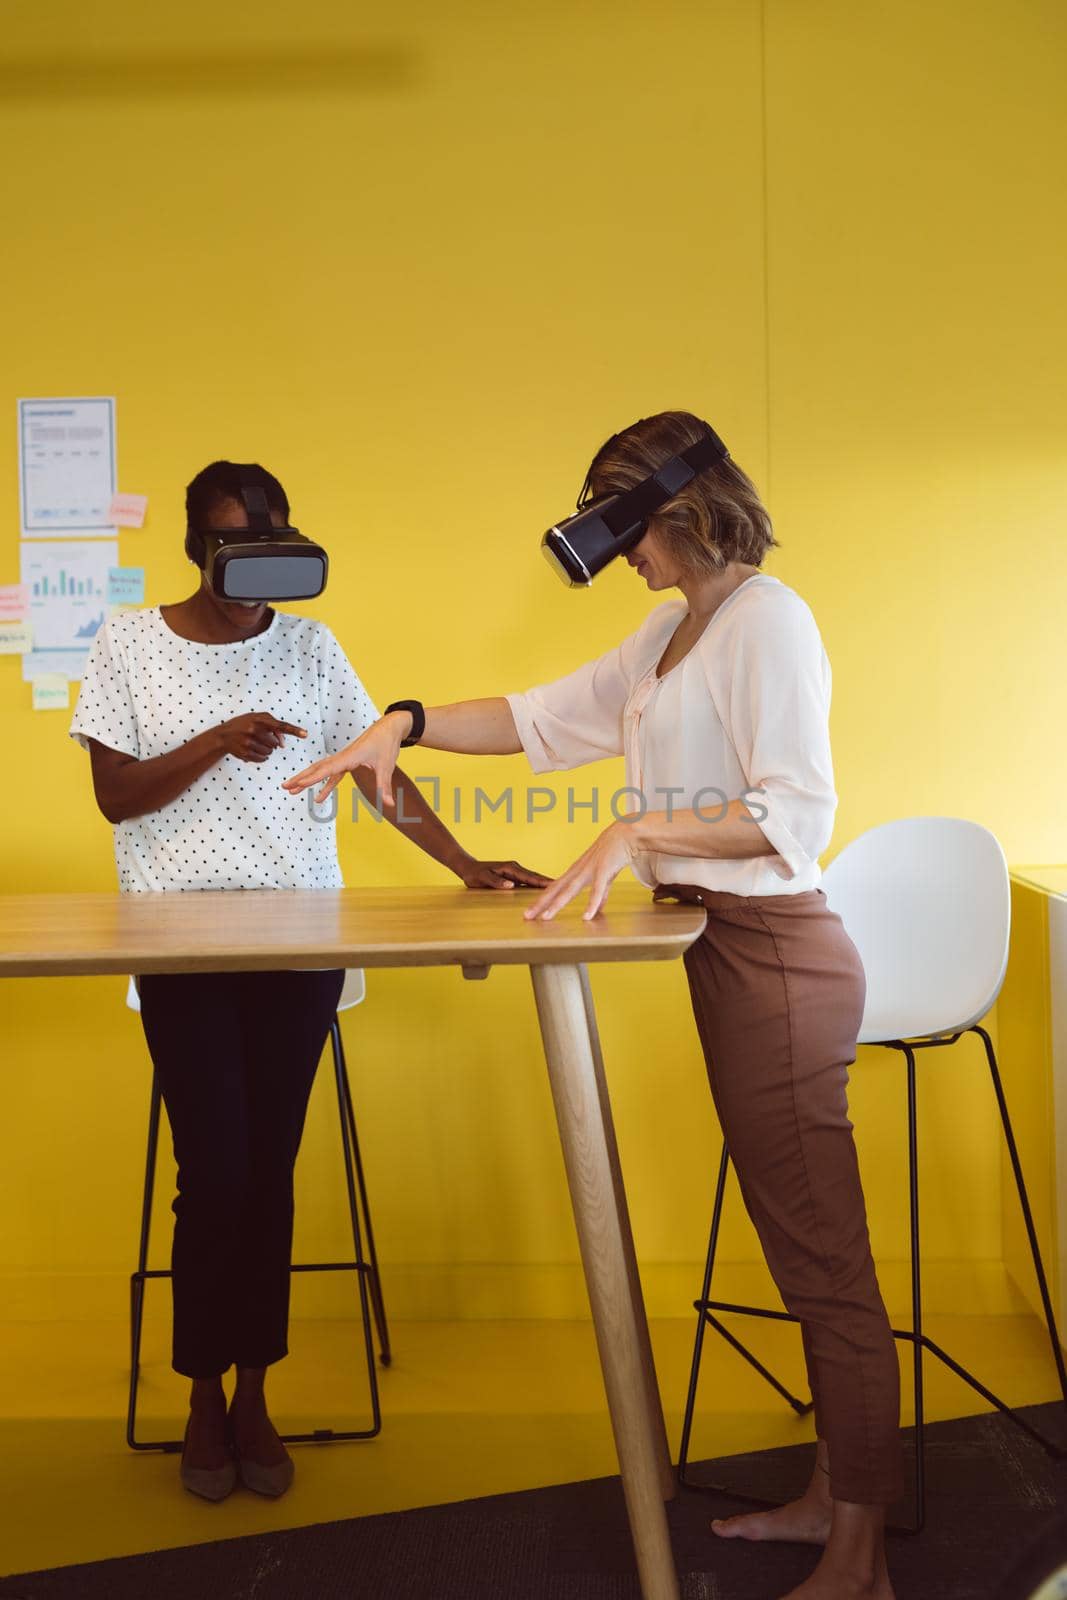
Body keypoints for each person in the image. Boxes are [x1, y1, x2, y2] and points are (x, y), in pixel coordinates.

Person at [282, 412, 903, 1600]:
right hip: (728, 956)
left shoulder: (767, 619)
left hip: (777, 958)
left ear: (675, 508)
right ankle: (832, 1497)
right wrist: (399, 723)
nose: (622, 558)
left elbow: (794, 816)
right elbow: (531, 719)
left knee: (824, 1266)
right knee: (801, 1249)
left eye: (627, 530)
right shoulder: (673, 633)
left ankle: (860, 1561)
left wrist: (636, 826)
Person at [70, 460, 547, 1503]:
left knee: (269, 1170)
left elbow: (378, 768)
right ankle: (199, 1391)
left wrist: (465, 865)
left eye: (269, 542)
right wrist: (214, 739)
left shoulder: (311, 645)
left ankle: (254, 1392)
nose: (251, 566)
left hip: (299, 940)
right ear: (196, 546)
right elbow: (114, 797)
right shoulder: (128, 643)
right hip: (180, 945)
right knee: (215, 1173)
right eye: (232, 543)